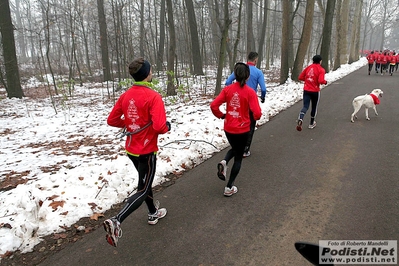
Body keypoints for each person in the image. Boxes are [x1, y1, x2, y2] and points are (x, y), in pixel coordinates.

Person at [103, 57, 171, 247]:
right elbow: (159, 126)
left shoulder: (126, 95)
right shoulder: (153, 96)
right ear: (148, 74)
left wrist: (131, 123)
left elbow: (112, 120)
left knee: (144, 182)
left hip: (131, 149)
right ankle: (116, 220)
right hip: (147, 151)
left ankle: (152, 213)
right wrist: (167, 127)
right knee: (142, 188)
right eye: (150, 70)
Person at [211, 63, 262, 197]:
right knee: (238, 157)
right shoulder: (250, 92)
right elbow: (257, 113)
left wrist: (222, 115)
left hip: (229, 128)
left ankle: (224, 162)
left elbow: (214, 105)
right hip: (243, 129)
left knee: (234, 148)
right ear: (248, 76)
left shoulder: (227, 90)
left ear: (235, 74)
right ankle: (229, 187)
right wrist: (253, 118)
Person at [225, 52, 266, 158]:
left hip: (239, 101)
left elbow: (228, 81)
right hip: (251, 101)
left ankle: (236, 146)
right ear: (255, 60)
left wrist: (233, 91)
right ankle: (245, 149)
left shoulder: (240, 70)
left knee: (238, 121)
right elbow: (263, 88)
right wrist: (263, 97)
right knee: (251, 125)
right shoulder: (258, 72)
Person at [296, 55, 327, 131]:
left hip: (306, 90)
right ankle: (311, 123)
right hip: (315, 91)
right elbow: (320, 81)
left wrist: (307, 80)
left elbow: (300, 77)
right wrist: (325, 82)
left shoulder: (308, 67)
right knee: (314, 107)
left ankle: (301, 117)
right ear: (320, 61)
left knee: (305, 106)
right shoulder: (321, 70)